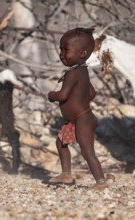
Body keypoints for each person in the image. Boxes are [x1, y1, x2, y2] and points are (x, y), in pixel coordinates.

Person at [47, 27, 108, 190]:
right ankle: (66, 174)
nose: (61, 54)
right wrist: (79, 101)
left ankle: (101, 182)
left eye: (65, 50)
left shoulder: (72, 74)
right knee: (61, 143)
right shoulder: (82, 71)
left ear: (82, 53)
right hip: (78, 118)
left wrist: (52, 95)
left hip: (82, 119)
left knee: (87, 151)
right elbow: (92, 93)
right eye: (61, 49)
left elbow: (63, 95)